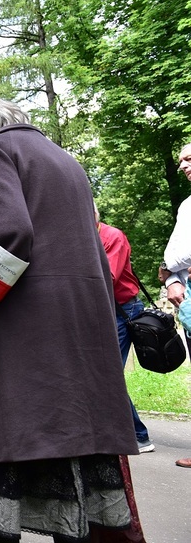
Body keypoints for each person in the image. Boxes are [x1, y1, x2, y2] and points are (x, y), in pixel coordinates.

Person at [0, 96, 142, 542]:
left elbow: (8, 237)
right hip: (77, 341)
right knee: (74, 483)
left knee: (1, 470)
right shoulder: (67, 162)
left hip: (16, 343)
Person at [97, 207, 155, 453]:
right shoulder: (86, 237)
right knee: (103, 371)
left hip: (123, 311)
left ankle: (138, 436)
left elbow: (106, 277)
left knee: (109, 373)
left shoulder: (112, 236)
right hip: (104, 310)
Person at [158, 141, 191, 469]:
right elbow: (171, 258)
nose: (183, 165)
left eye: (189, 158)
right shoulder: (187, 206)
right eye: (181, 160)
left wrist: (173, 265)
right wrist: (171, 278)